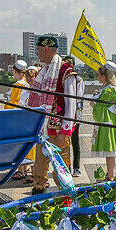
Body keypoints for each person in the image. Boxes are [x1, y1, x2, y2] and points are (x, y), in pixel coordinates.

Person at [28, 36, 81, 192]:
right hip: (43, 127)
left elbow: (71, 103)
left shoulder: (66, 72)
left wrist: (66, 130)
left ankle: (66, 198)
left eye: (38, 49)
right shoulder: (44, 71)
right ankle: (38, 191)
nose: (37, 53)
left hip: (59, 129)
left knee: (61, 167)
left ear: (46, 49)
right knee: (39, 166)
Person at [91, 61, 116, 181]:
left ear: (104, 76)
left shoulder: (109, 90)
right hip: (107, 121)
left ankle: (110, 175)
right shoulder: (106, 89)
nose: (97, 77)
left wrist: (93, 101)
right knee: (109, 150)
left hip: (107, 122)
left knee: (110, 150)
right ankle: (110, 174)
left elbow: (97, 105)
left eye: (99, 75)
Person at [63, 56, 85, 177]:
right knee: (64, 143)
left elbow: (78, 97)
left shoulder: (78, 80)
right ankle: (67, 166)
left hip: (75, 114)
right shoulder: (62, 78)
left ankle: (76, 167)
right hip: (64, 114)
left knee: (75, 142)